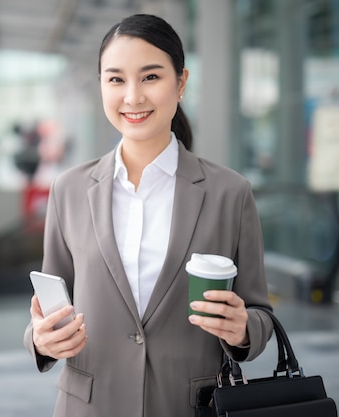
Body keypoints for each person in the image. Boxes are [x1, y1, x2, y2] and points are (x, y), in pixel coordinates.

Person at [23, 14, 273, 417]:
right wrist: (39, 340)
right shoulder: (69, 189)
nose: (133, 97)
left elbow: (260, 314)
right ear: (101, 85)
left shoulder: (230, 192)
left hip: (190, 405)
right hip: (89, 406)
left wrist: (244, 329)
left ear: (181, 83)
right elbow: (49, 309)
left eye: (151, 77)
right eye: (116, 79)